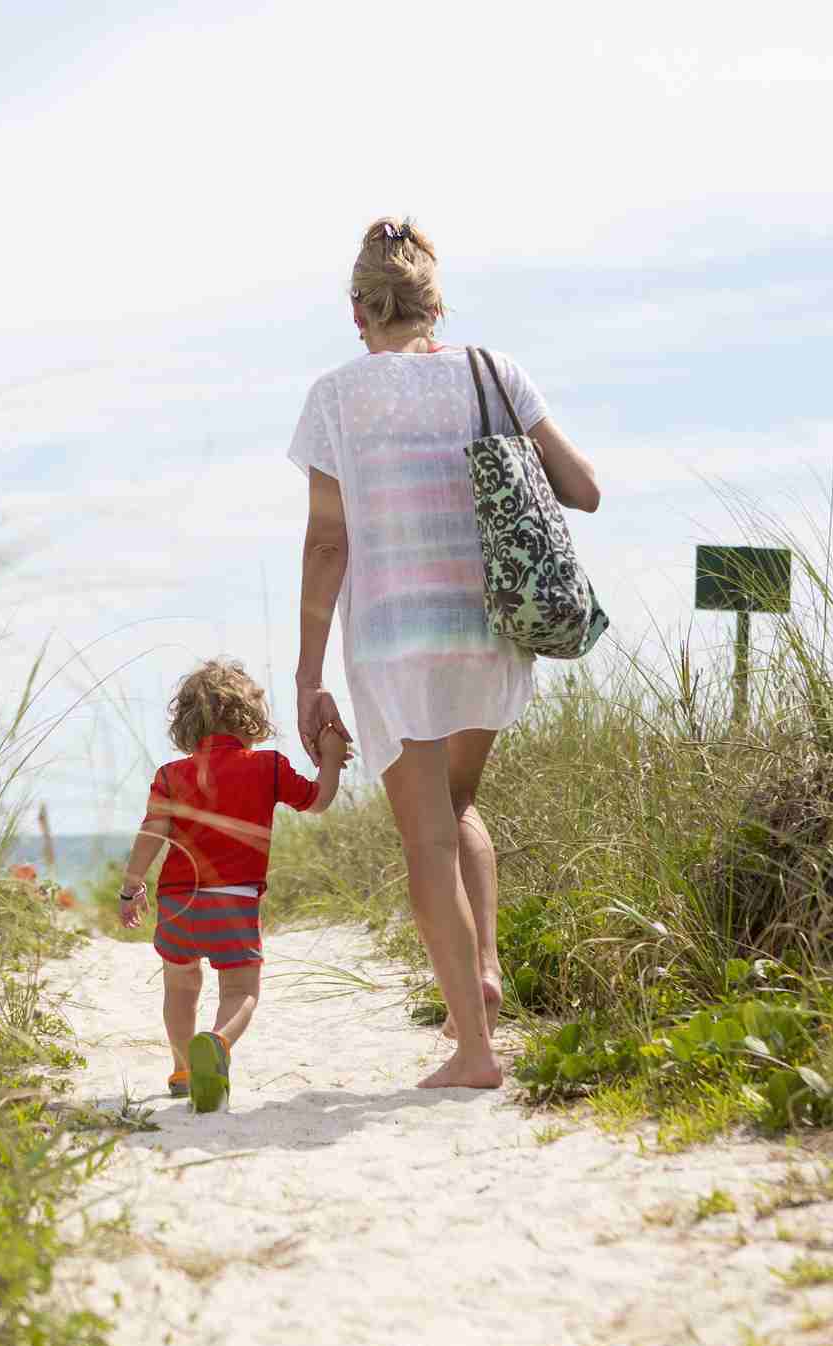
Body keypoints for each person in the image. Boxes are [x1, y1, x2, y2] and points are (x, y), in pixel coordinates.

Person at [286, 217, 602, 1090]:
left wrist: (309, 675)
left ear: (358, 311)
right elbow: (585, 490)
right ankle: (486, 965)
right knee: (461, 803)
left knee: (425, 835)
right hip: (489, 627)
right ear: (436, 305)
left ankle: (472, 1049)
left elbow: (325, 545)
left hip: (391, 639)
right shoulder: (493, 372)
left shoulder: (334, 398)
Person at [118, 659, 349, 1112]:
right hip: (235, 902)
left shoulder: (170, 776)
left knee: (180, 986)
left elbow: (152, 832)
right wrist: (333, 758)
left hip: (179, 902)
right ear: (252, 717)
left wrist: (131, 887)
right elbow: (319, 801)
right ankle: (218, 1045)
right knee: (241, 991)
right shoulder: (269, 767)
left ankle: (184, 1068)